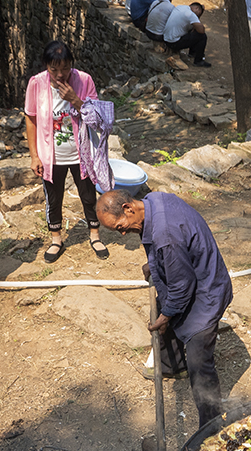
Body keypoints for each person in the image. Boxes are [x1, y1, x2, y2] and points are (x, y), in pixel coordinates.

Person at [96, 189, 233, 428]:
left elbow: (181, 286)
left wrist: (166, 316)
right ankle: (172, 365)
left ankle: (212, 427)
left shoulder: (165, 236)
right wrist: (156, 263)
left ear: (128, 208)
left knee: (199, 362)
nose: (123, 233)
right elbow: (175, 252)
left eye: (120, 227)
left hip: (206, 291)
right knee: (165, 306)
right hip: (192, 273)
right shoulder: (153, 201)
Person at [24, 41, 110, 263]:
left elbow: (98, 120)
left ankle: (95, 235)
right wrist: (34, 156)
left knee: (88, 195)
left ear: (72, 64)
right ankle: (56, 240)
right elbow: (31, 119)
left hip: (82, 154)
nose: (60, 74)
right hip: (51, 156)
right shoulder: (36, 83)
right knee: (53, 198)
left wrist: (76, 100)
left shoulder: (84, 80)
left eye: (65, 68)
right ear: (46, 67)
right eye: (54, 69)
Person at [163, 2, 211, 67]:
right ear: (197, 8)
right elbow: (201, 30)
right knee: (202, 36)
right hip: (174, 43)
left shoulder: (180, 7)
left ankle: (193, 52)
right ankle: (198, 61)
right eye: (199, 14)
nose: (198, 16)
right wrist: (198, 18)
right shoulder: (190, 14)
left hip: (166, 39)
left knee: (194, 30)